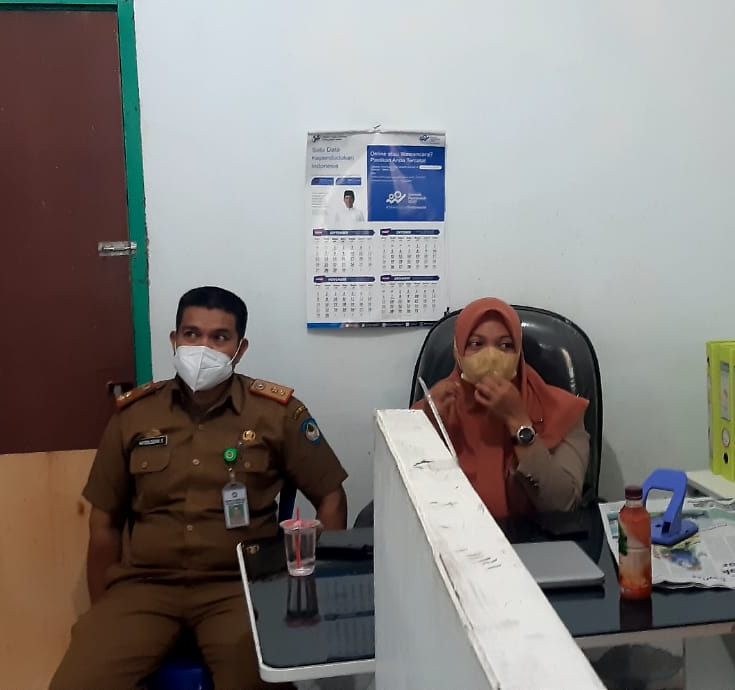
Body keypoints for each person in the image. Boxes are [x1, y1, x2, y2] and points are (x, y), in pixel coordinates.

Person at [52, 286, 349, 690]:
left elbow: (330, 497)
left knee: (257, 681)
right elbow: (103, 523)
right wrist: (104, 612)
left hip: (241, 588)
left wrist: (314, 589)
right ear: (174, 340)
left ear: (240, 350)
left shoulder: (276, 415)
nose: (203, 348)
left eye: (219, 337)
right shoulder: (135, 415)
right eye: (192, 334)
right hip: (145, 588)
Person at [419, 298, 591, 519]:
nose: (491, 356)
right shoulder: (432, 408)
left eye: (505, 345)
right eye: (476, 344)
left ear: (519, 353)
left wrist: (519, 423)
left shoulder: (563, 411)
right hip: (448, 533)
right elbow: (410, 497)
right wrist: (426, 429)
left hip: (531, 536)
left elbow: (563, 504)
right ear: (458, 352)